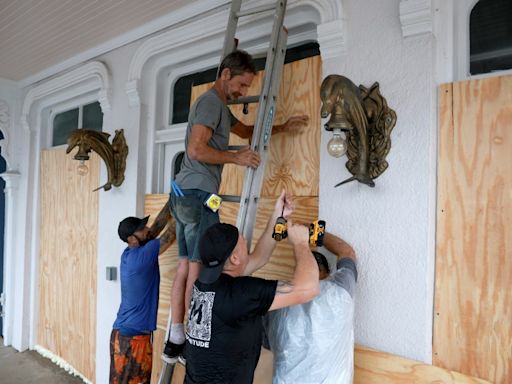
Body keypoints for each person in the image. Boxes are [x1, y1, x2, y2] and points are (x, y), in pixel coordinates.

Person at [164, 49, 309, 360]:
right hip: (199, 195)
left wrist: (283, 127)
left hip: (185, 196)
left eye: (247, 89)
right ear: (226, 74)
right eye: (242, 85)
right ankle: (193, 335)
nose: (244, 93)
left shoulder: (218, 107)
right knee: (198, 269)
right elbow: (195, 150)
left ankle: (176, 335)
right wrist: (236, 157)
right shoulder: (210, 103)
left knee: (185, 267)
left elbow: (245, 132)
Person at [184, 191, 320, 383]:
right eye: (243, 242)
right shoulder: (240, 294)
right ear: (234, 258)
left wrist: (278, 215)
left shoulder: (205, 281)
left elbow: (259, 258)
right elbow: (308, 289)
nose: (247, 242)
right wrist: (300, 244)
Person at [263, 231, 357, 384]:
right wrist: (313, 230)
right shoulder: (341, 291)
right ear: (327, 271)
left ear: (299, 272)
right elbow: (347, 251)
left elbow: (267, 342)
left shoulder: (280, 302)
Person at [109, 202, 175, 384]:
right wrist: (190, 202)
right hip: (134, 340)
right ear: (132, 238)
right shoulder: (142, 257)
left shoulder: (130, 253)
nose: (146, 229)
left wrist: (172, 202)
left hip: (122, 335)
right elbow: (170, 235)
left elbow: (155, 229)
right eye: (141, 228)